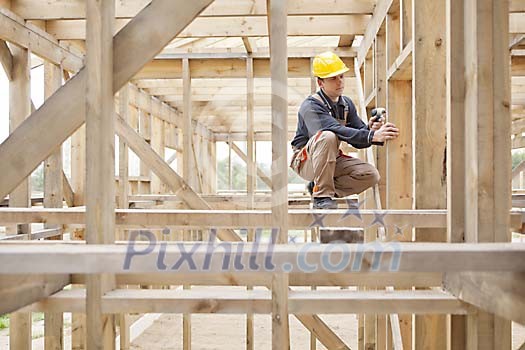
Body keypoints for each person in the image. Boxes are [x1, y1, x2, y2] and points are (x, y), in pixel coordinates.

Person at [290, 51, 400, 209]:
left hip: (330, 160)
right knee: (328, 136)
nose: (339, 82)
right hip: (306, 161)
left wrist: (370, 129)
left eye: (341, 76)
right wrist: (371, 135)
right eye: (333, 78)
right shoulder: (311, 106)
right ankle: (321, 196)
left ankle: (318, 187)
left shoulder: (346, 104)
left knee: (370, 175)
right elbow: (335, 129)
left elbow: (361, 142)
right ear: (320, 82)